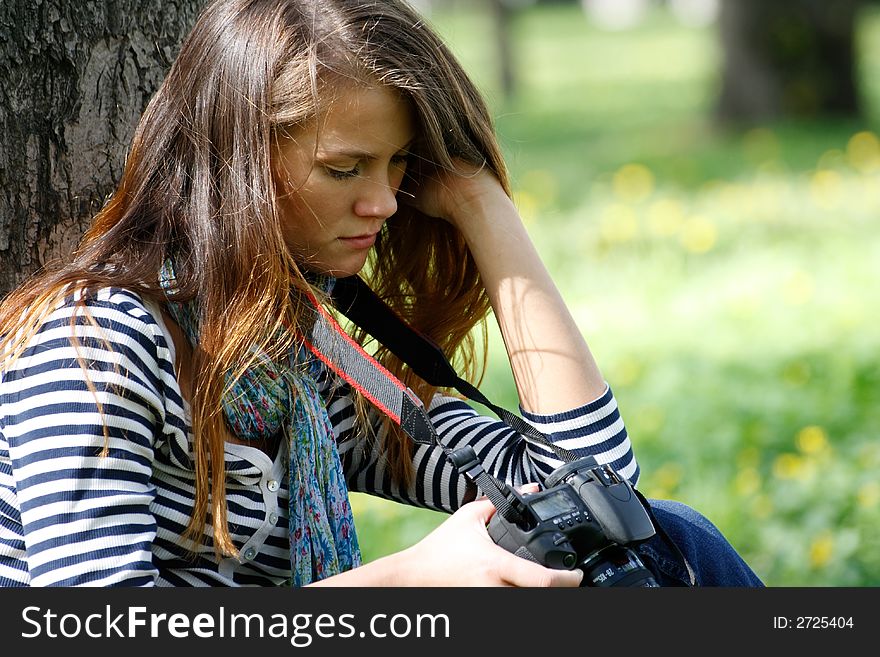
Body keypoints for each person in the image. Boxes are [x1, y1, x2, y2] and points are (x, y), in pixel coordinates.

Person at [0, 0, 762, 587]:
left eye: (401, 164)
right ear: (234, 163)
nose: (387, 201)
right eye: (345, 168)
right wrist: (411, 578)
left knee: (671, 537)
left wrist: (482, 206)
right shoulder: (96, 343)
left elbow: (594, 496)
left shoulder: (301, 354)